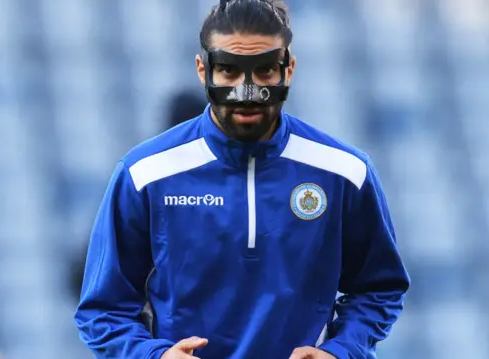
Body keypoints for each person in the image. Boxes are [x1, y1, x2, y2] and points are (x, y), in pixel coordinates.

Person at [74, 0, 410, 358]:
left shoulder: (344, 172)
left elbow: (379, 288)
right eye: (230, 71)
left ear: (289, 69)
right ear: (203, 70)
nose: (247, 90)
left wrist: (341, 350)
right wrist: (152, 355)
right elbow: (103, 309)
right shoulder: (145, 174)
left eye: (264, 70)